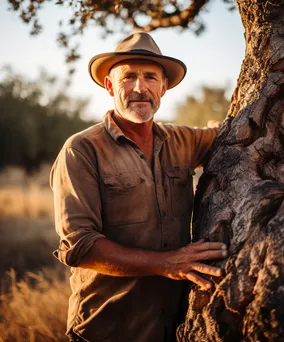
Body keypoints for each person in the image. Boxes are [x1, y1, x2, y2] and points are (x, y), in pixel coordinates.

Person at [50, 32, 227, 342]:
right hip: (106, 329)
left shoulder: (182, 141)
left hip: (175, 328)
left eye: (150, 77)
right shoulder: (81, 150)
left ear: (165, 86)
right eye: (128, 77)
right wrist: (168, 264)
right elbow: (81, 247)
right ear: (109, 86)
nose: (139, 88)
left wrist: (219, 127)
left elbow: (227, 133)